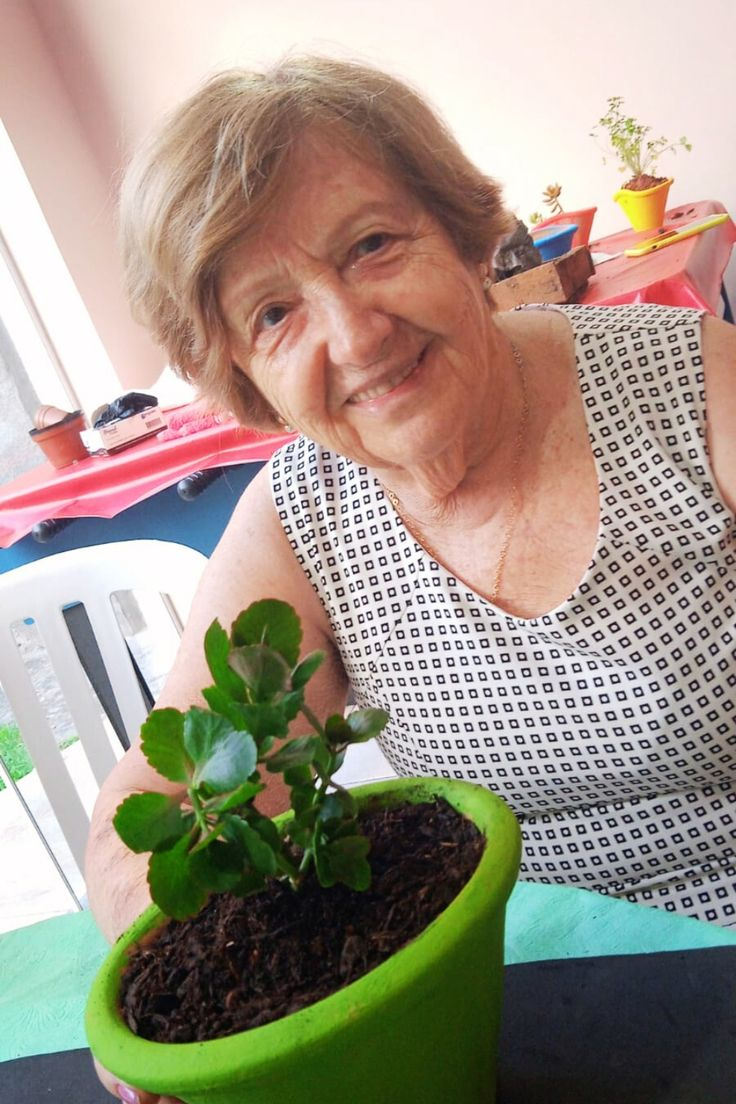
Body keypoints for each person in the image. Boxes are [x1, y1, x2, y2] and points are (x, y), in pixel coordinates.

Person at [87, 54, 736, 1103]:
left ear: (459, 230)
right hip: (497, 1017)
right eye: (273, 314)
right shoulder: (302, 518)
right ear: (243, 377)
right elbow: (160, 802)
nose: (354, 335)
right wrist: (167, 978)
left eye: (373, 245)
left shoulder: (685, 384)